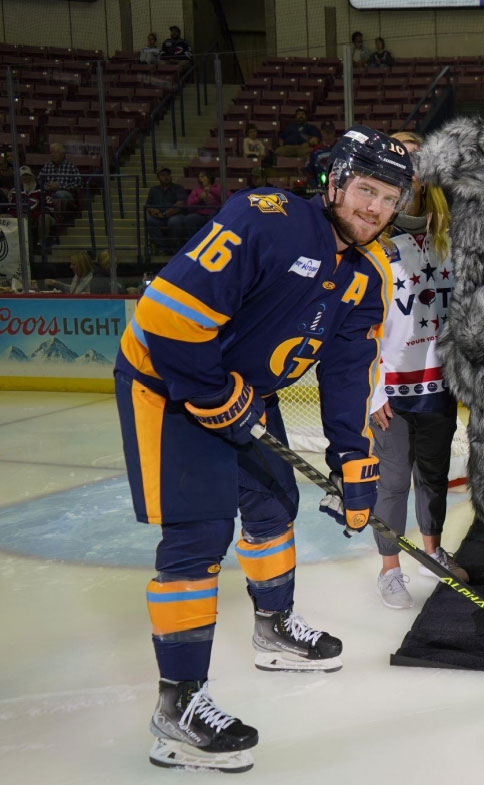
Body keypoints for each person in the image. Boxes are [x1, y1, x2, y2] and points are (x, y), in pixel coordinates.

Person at [112, 125, 413, 772]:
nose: (376, 210)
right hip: (169, 383)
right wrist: (213, 394)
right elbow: (165, 320)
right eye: (366, 191)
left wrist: (352, 458)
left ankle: (274, 629)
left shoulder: (371, 271)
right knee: (199, 534)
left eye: (389, 199)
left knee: (274, 498)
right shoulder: (266, 219)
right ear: (334, 182)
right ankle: (177, 707)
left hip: (242, 389)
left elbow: (346, 370)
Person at [367, 130, 465, 609]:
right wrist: (373, 393)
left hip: (439, 385)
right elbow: (358, 329)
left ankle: (432, 552)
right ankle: (389, 570)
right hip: (389, 392)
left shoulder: (450, 239)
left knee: (435, 474)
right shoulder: (371, 244)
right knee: (391, 482)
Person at [145, 167, 188, 254]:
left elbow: (180, 204)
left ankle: (176, 248)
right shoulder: (153, 190)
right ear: (158, 177)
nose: (166, 177)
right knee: (149, 221)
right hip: (159, 217)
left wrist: (165, 214)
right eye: (163, 175)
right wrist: (153, 210)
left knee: (173, 221)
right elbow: (148, 205)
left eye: (168, 175)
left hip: (176, 215)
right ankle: (163, 247)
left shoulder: (178, 188)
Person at [11, 165, 55, 250]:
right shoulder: (15, 192)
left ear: (32, 176)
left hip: (40, 216)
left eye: (28, 175)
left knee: (44, 217)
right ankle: (13, 245)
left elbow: (50, 208)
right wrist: (21, 215)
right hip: (22, 216)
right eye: (23, 176)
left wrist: (33, 216)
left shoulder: (42, 190)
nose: (26, 178)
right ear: (20, 178)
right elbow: (11, 209)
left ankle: (41, 244)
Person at [37, 142, 82, 213]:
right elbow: (39, 181)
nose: (52, 155)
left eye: (55, 152)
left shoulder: (71, 166)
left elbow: (78, 184)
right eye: (51, 152)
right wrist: (47, 186)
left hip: (66, 194)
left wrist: (60, 186)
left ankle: (60, 218)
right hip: (48, 193)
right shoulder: (47, 166)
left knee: (60, 194)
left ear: (62, 154)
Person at [181, 171, 223, 239]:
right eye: (199, 177)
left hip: (215, 213)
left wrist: (211, 190)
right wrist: (199, 198)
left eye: (203, 176)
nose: (200, 179)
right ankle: (194, 242)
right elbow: (189, 203)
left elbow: (228, 197)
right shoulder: (197, 190)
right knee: (189, 219)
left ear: (209, 178)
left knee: (213, 218)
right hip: (200, 214)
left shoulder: (218, 188)